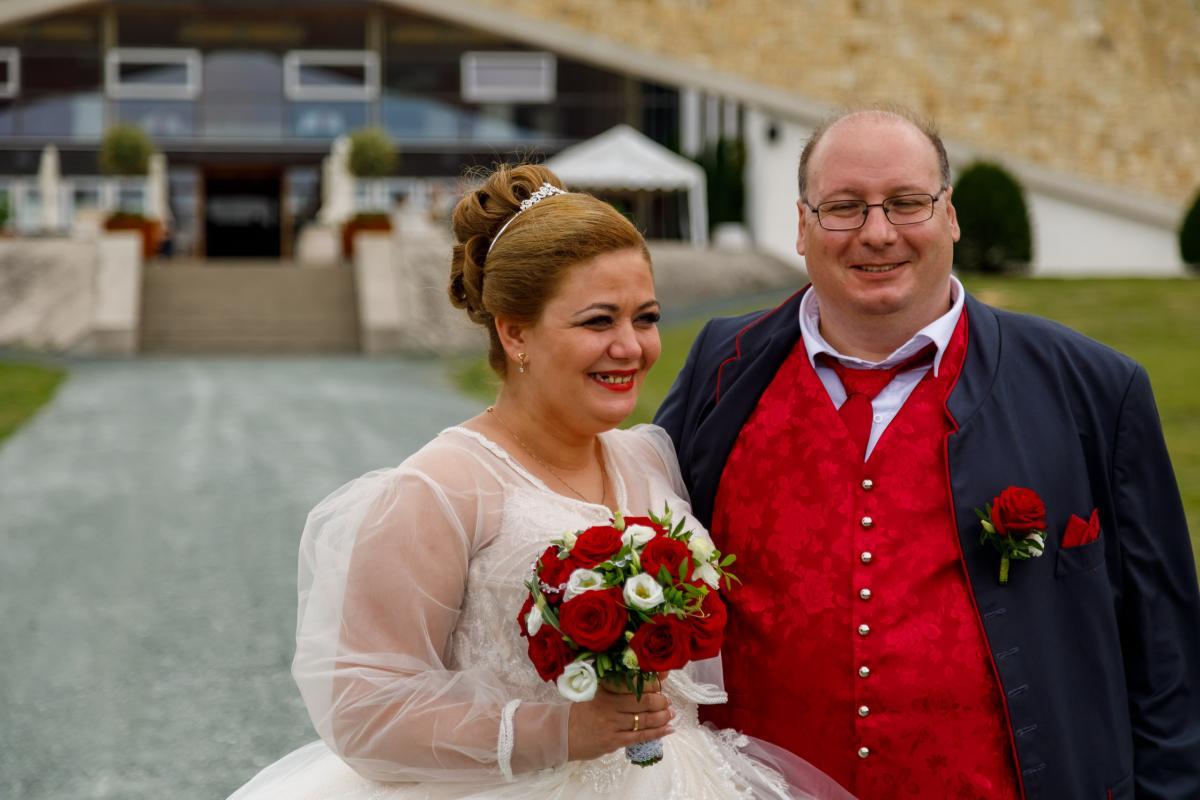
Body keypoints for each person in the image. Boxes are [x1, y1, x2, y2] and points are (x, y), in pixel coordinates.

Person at [227, 164, 853, 800]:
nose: (631, 347)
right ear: (515, 331)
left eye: (645, 318)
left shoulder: (647, 458)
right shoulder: (442, 487)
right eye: (598, 321)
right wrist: (557, 731)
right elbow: (365, 711)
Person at [655, 104, 1200, 799]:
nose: (877, 233)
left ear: (951, 215)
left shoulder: (1093, 388)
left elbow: (1166, 658)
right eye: (844, 207)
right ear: (801, 225)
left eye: (907, 203)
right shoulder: (721, 370)